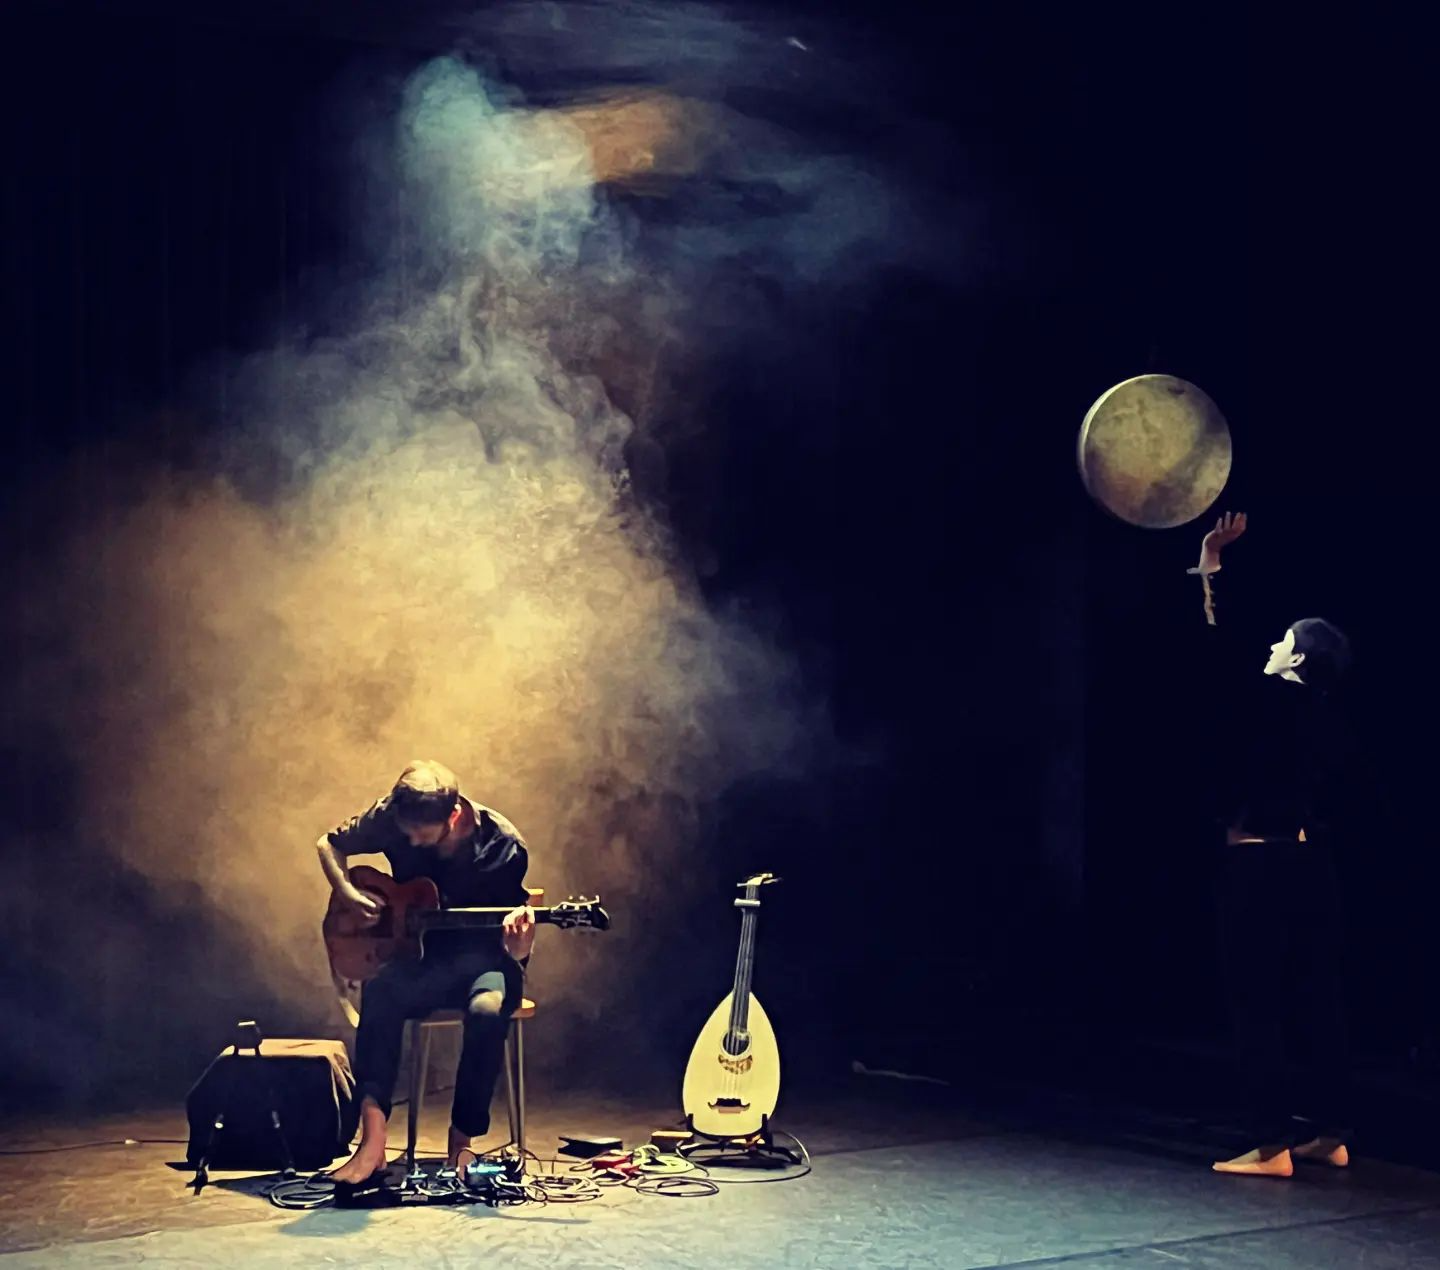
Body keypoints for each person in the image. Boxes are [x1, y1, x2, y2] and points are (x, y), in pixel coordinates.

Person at [1189, 512, 1356, 1178]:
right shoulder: (1331, 719)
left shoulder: (1265, 702)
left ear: (1297, 658)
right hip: (1314, 866)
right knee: (1320, 997)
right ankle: (1333, 1134)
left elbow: (1215, 647)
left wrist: (1210, 565)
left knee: (1255, 1001)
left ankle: (1270, 1146)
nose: (1272, 644)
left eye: (1282, 640)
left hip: (1259, 864)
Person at [315, 760, 536, 1183]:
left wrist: (519, 946)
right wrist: (347, 891)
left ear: (453, 816)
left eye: (422, 833)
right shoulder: (396, 817)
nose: (411, 840)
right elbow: (328, 843)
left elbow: (513, 948)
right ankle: (373, 1144)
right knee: (380, 992)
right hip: (422, 959)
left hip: (486, 961)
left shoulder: (503, 847)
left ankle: (462, 1142)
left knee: (489, 1012)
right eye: (406, 831)